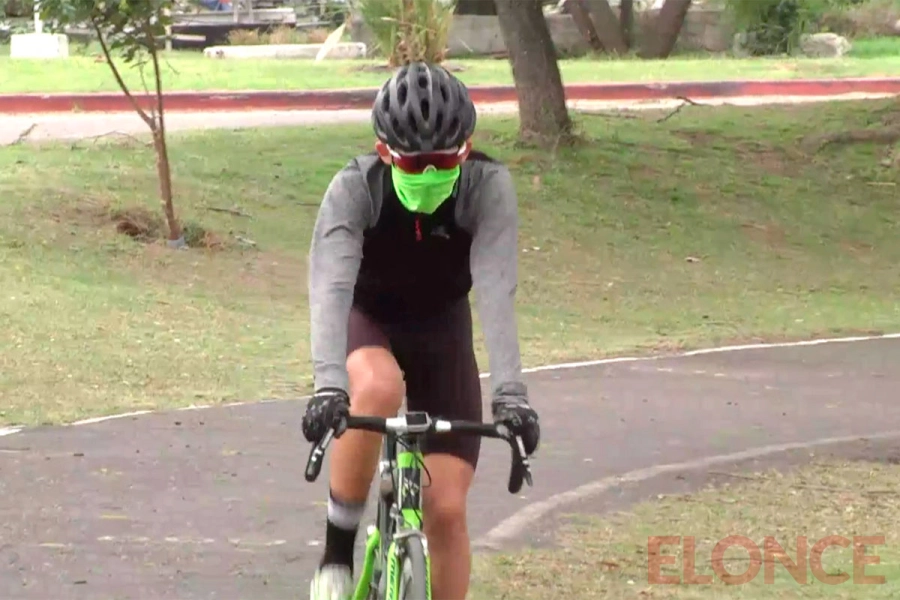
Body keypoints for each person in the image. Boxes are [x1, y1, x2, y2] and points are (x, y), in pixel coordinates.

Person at [301, 61, 541, 600]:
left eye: (444, 161)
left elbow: (497, 291)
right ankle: (337, 552)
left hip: (442, 329)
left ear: (467, 148)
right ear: (385, 152)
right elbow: (330, 288)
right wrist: (328, 387)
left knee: (447, 510)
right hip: (369, 318)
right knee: (378, 387)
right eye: (414, 163)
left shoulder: (487, 187)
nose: (429, 172)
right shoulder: (354, 188)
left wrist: (512, 396)